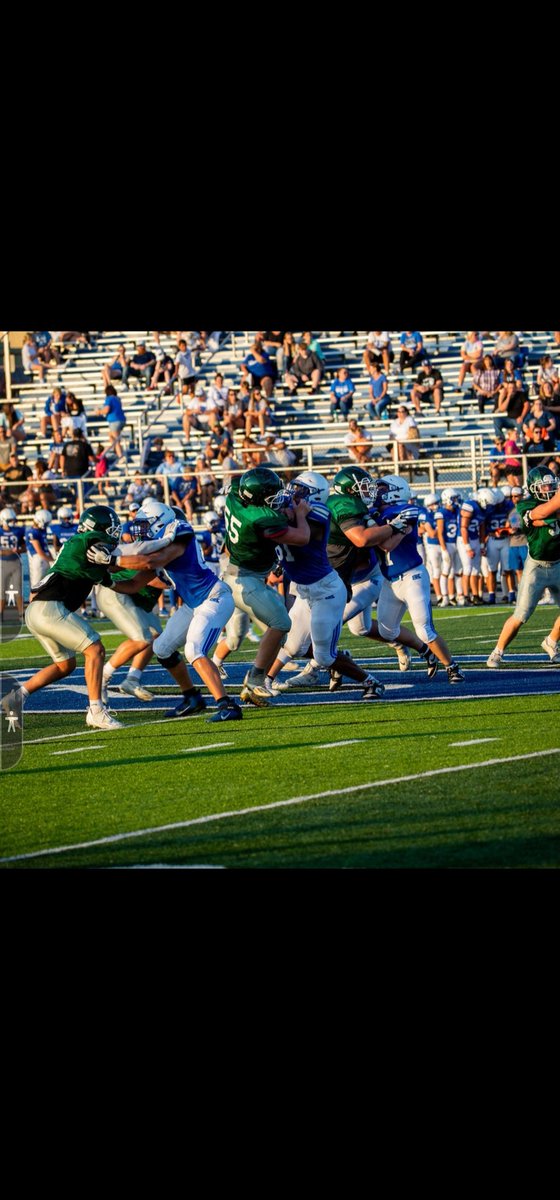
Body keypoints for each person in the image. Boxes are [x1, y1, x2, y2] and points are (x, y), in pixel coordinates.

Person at [0, 505, 171, 731]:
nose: (114, 534)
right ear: (98, 528)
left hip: (39, 610)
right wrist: (163, 546)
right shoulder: (89, 540)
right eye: (111, 529)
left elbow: (129, 585)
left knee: (65, 665)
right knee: (95, 649)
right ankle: (96, 711)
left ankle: (16, 697)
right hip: (50, 607)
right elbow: (125, 556)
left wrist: (151, 571)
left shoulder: (89, 554)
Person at [107, 498, 243, 723]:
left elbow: (152, 561)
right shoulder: (159, 546)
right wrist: (104, 578)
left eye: (144, 525)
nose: (139, 531)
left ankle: (227, 705)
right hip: (194, 605)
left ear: (159, 522)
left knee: (194, 650)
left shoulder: (180, 534)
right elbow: (133, 584)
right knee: (162, 648)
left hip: (214, 598)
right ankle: (192, 697)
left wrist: (114, 558)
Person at [262, 472, 385, 699]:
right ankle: (263, 681)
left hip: (326, 592)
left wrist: (289, 514)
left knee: (324, 657)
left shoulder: (320, 514)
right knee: (292, 645)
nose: (293, 494)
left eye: (300, 491)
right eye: (293, 487)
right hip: (304, 590)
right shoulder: (290, 511)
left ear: (315, 497)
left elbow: (301, 534)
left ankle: (371, 682)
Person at [219, 468, 312, 707]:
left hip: (241, 572)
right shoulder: (261, 518)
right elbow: (301, 537)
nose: (278, 497)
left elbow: (239, 482)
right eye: (271, 495)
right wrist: (300, 513)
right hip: (243, 579)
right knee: (281, 623)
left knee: (279, 625)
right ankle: (256, 679)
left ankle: (256, 682)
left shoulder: (235, 496)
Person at [371, 476, 465, 683]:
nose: (376, 493)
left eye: (382, 489)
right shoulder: (377, 513)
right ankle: (425, 652)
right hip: (389, 580)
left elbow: (386, 543)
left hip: (412, 575)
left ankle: (452, 667)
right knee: (386, 631)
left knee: (424, 629)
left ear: (395, 492)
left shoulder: (404, 510)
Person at [486, 466, 560, 668]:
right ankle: (497, 651)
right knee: (521, 616)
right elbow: (540, 513)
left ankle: (551, 642)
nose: (549, 489)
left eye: (551, 485)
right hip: (536, 566)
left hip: (558, 564)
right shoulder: (527, 503)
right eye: (544, 486)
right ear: (534, 488)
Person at [0, 507, 25, 617]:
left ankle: (21, 613)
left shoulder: (18, 531)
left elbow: (24, 548)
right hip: (3, 564)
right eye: (10, 520)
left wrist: (18, 550)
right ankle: (1, 614)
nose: (13, 522)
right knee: (2, 590)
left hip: (16, 562)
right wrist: (7, 551)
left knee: (18, 589)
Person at [94, 385, 127, 461]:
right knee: (111, 436)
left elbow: (106, 410)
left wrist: (99, 412)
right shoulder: (117, 399)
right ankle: (118, 450)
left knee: (115, 439)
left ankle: (120, 456)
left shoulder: (109, 399)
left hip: (114, 420)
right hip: (121, 419)